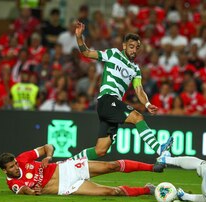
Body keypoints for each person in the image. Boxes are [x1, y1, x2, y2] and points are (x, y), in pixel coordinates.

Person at [73, 21, 174, 161]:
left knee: (100, 150)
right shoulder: (113, 54)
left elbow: (139, 90)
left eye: (137, 48)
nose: (134, 50)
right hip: (107, 100)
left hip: (112, 106)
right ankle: (159, 149)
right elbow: (87, 53)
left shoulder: (135, 69)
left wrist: (147, 104)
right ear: (124, 45)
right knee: (137, 117)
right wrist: (79, 37)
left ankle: (67, 163)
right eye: (131, 46)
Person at [0, 144, 164, 196]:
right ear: (5, 171)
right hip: (67, 188)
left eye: (15, 163)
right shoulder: (13, 184)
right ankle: (147, 189)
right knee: (111, 192)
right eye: (11, 167)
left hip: (66, 170)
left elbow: (48, 146)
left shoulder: (23, 158)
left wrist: (48, 156)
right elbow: (23, 189)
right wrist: (31, 192)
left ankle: (152, 167)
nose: (16, 167)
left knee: (111, 166)